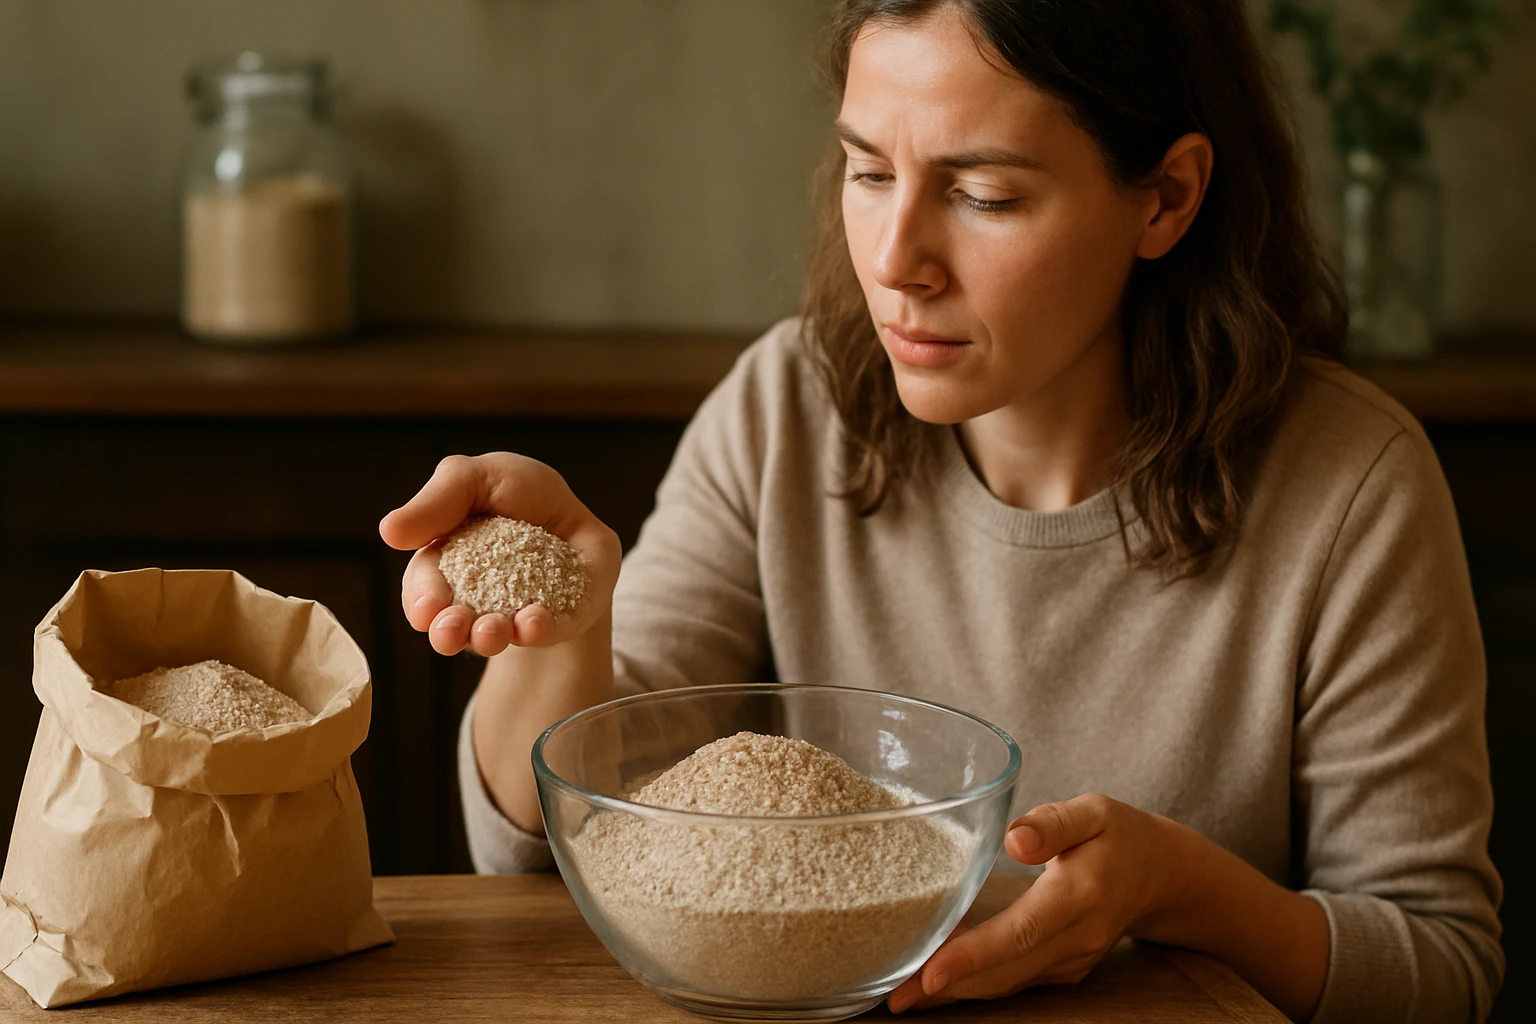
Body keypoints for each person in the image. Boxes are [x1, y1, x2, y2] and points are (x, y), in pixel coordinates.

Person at [378, 1, 1502, 1020]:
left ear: (1166, 198)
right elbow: (545, 853)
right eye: (869, 172)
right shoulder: (786, 409)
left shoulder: (1353, 484)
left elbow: (1441, 969)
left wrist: (1178, 889)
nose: (895, 260)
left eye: (983, 195)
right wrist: (562, 635)